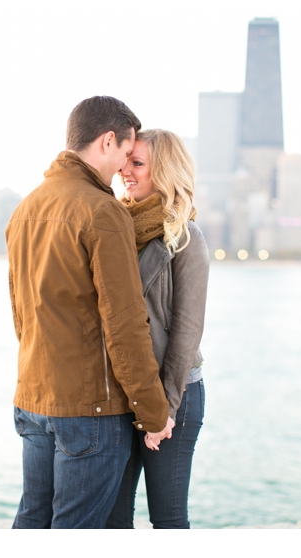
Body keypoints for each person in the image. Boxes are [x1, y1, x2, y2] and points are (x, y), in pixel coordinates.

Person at [5, 96, 174, 529]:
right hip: (88, 414)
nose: (122, 166)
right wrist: (154, 413)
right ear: (107, 140)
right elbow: (125, 325)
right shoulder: (103, 212)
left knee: (32, 521)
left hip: (32, 401)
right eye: (124, 152)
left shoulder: (24, 210)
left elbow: (21, 314)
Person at [106, 129, 210, 529]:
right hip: (124, 392)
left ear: (163, 171)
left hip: (175, 396)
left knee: (167, 518)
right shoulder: (115, 228)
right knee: (114, 518)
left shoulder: (186, 237)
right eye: (125, 161)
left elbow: (187, 330)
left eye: (137, 163)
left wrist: (163, 409)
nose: (124, 171)